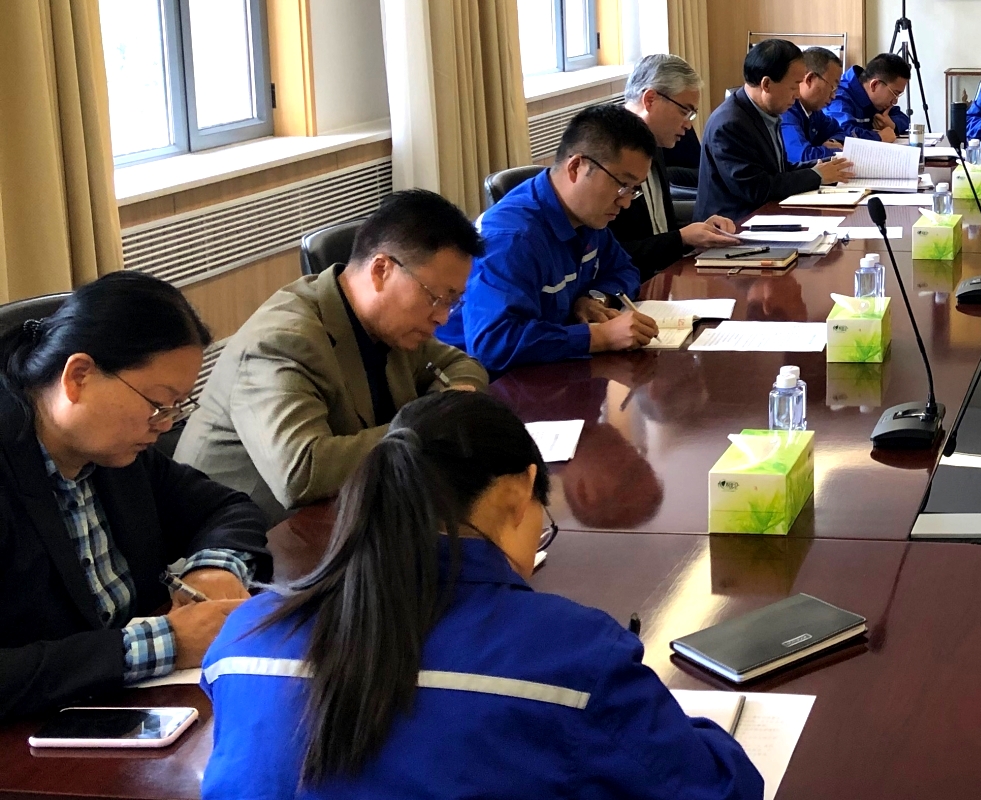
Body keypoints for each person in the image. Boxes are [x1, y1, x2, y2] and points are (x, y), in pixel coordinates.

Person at [201, 390, 762, 799]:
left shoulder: (244, 636)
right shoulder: (571, 655)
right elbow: (720, 790)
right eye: (543, 520)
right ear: (519, 492)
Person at [0, 272, 270, 721]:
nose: (165, 425)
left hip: (135, 709)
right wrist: (164, 644)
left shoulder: (118, 454)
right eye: (159, 404)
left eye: (177, 407)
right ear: (78, 376)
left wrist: (213, 568)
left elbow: (228, 508)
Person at [177, 190, 492, 525]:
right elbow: (302, 472)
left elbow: (462, 365)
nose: (442, 317)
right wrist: (431, 424)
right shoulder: (283, 340)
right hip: (247, 535)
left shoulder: (393, 325)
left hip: (345, 513)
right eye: (436, 297)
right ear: (381, 270)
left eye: (453, 301)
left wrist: (446, 402)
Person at [438, 105, 664, 374]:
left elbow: (624, 269)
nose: (626, 202)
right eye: (622, 185)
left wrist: (593, 299)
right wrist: (600, 336)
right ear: (576, 167)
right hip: (489, 382)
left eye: (633, 190)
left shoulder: (588, 217)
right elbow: (493, 344)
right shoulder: (511, 238)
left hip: (555, 368)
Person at [611, 54, 743, 279]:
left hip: (664, 278)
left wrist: (699, 230)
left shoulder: (655, 145)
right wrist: (681, 238)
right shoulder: (609, 155)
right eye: (684, 111)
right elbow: (611, 255)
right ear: (650, 99)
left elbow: (660, 230)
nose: (688, 124)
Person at [698, 39, 857, 224]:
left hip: (765, 216)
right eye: (793, 86)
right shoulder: (730, 124)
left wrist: (820, 167)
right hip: (733, 226)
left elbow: (778, 170)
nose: (797, 94)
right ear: (766, 84)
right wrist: (816, 175)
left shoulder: (766, 112)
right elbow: (756, 188)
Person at [779, 47, 846, 164]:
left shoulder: (814, 112)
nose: (833, 96)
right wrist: (837, 151)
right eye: (833, 87)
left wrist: (833, 142)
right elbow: (802, 156)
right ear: (810, 79)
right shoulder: (786, 110)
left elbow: (841, 132)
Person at [827, 52, 913, 142]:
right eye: (895, 94)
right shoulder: (838, 96)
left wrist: (892, 125)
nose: (895, 101)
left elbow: (904, 118)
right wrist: (879, 137)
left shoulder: (877, 101)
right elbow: (842, 131)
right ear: (874, 85)